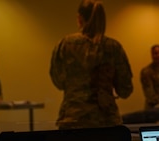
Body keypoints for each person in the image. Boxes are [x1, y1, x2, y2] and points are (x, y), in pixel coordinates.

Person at [49, 0, 133, 130]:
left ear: (80, 18)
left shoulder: (65, 45)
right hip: (106, 122)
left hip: (73, 120)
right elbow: (125, 90)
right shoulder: (113, 47)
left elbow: (58, 82)